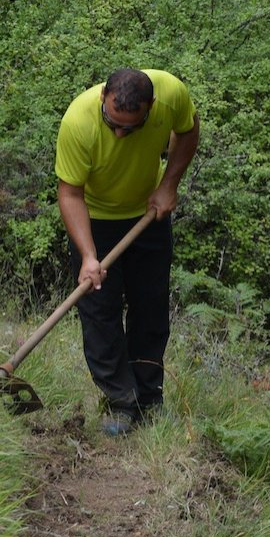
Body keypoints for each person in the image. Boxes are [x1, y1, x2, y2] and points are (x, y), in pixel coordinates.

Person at [55, 68, 200, 435]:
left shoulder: (171, 94)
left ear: (151, 109)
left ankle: (149, 399)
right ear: (103, 97)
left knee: (150, 306)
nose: (120, 134)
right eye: (113, 123)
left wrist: (170, 184)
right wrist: (88, 256)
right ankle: (121, 402)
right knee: (100, 311)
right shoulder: (78, 121)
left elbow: (188, 130)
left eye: (130, 128)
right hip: (95, 220)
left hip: (147, 215)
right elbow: (70, 193)